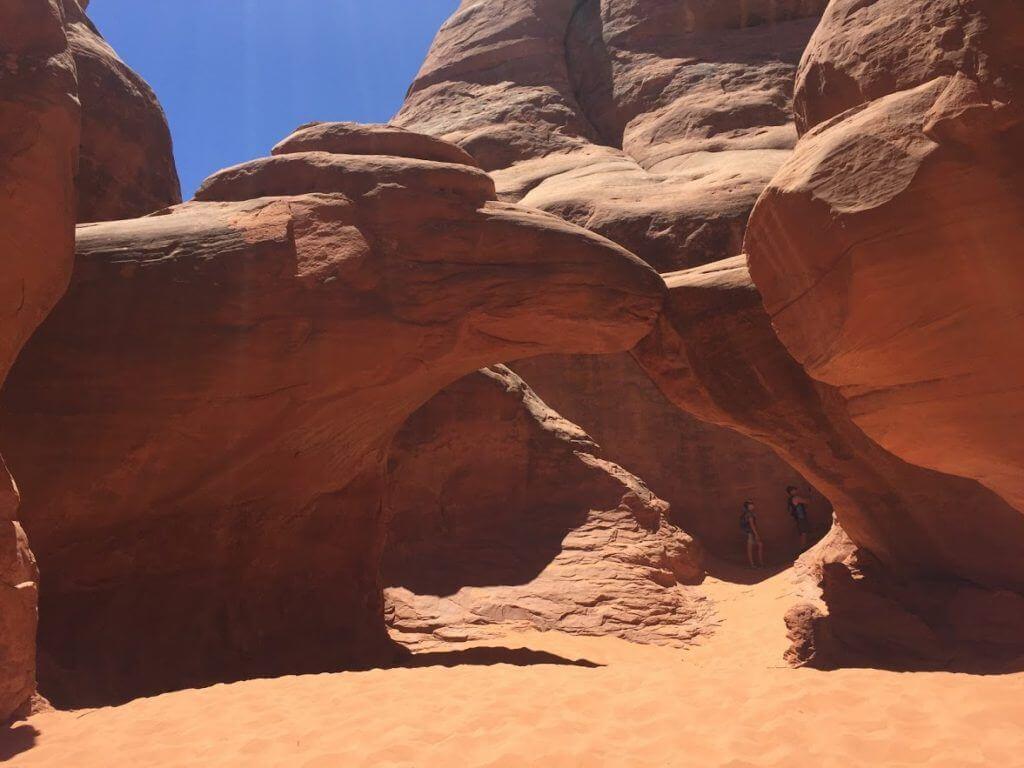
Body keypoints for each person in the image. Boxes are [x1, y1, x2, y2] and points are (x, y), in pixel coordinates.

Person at [740, 501, 765, 568]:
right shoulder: (749, 514)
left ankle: (759, 563)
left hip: (749, 533)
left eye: (752, 504)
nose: (752, 505)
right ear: (748, 506)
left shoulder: (748, 513)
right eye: (750, 504)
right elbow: (752, 525)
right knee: (751, 548)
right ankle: (753, 564)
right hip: (749, 533)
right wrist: (756, 534)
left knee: (759, 545)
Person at [787, 485, 811, 551]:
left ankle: (803, 547)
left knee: (802, 532)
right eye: (794, 489)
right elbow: (807, 501)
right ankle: (803, 548)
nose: (796, 490)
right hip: (801, 517)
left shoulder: (790, 499)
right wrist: (809, 494)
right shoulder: (795, 498)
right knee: (803, 532)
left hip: (797, 518)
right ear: (791, 491)